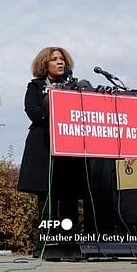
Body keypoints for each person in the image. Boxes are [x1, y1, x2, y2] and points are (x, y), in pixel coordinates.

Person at [17, 47, 90, 258]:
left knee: (69, 198)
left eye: (62, 59)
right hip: (43, 147)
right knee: (47, 198)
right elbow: (33, 112)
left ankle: (70, 244)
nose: (59, 62)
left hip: (69, 149)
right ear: (44, 64)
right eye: (54, 59)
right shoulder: (35, 86)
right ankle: (44, 243)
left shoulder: (75, 87)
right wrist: (56, 109)